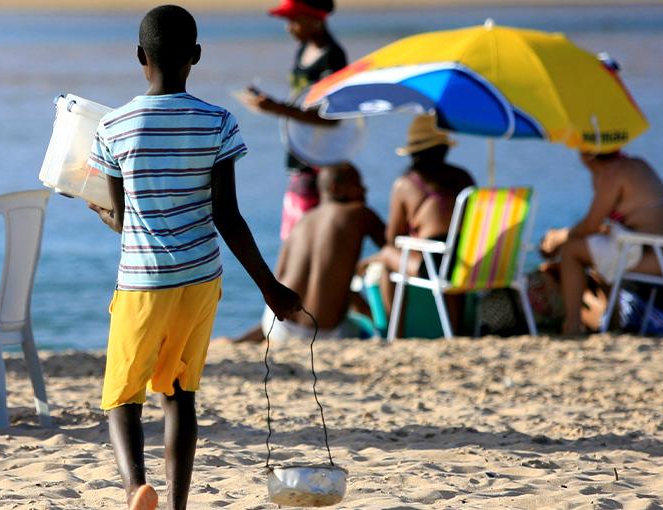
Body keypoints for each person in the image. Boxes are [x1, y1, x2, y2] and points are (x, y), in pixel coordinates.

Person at [85, 6, 302, 509]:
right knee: (180, 393)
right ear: (196, 57)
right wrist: (271, 287)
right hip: (200, 279)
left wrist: (99, 208)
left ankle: (136, 488)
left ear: (140, 57)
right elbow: (228, 215)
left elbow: (121, 219)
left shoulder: (114, 126)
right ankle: (178, 505)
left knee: (122, 398)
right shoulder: (218, 122)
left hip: (141, 282)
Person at [228, 162, 385, 343]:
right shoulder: (359, 213)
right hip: (322, 334)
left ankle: (241, 340)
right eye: (358, 185)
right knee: (366, 327)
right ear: (337, 189)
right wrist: (369, 261)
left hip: (277, 326)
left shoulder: (302, 222)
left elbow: (279, 274)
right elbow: (395, 246)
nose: (365, 190)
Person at [539, 151, 663, 335]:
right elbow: (606, 227)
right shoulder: (637, 164)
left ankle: (573, 326)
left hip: (659, 259)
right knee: (597, 250)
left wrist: (558, 237)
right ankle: (613, 321)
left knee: (572, 250)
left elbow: (590, 226)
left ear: (585, 155)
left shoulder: (612, 173)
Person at [236, 0, 347, 240]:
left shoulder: (333, 57)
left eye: (295, 20)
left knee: (307, 238)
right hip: (299, 156)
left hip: (320, 161)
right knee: (294, 236)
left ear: (316, 21)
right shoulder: (304, 50)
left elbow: (332, 117)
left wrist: (277, 109)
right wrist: (273, 105)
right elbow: (302, 103)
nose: (289, 28)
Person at [365, 114, 474, 329]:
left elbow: (392, 238)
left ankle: (395, 330)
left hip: (435, 264)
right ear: (445, 149)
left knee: (387, 256)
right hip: (469, 261)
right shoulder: (463, 177)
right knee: (447, 254)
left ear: (413, 152)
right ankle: (456, 328)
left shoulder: (406, 184)